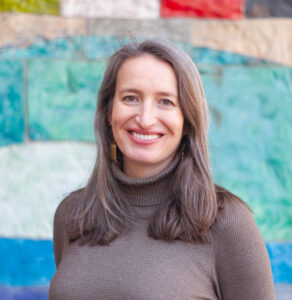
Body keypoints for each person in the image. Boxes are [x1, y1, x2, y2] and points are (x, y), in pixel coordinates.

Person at [49, 39, 274, 300]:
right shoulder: (72, 215)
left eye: (165, 102)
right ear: (109, 112)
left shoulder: (227, 223)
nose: (145, 119)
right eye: (130, 98)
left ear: (187, 120)